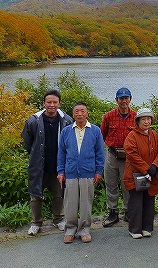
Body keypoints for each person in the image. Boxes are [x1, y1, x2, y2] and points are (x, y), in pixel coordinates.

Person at [22, 89, 73, 236]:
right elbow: (28, 142)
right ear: (44, 103)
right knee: (36, 195)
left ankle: (58, 219)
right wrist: (35, 155)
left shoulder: (66, 120)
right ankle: (36, 223)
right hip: (39, 166)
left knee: (59, 194)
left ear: (59, 103)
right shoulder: (33, 121)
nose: (52, 105)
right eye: (49, 102)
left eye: (55, 102)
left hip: (58, 166)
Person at [57, 103, 105, 244]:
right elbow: (61, 153)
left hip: (88, 172)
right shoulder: (66, 131)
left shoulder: (95, 130)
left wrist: (98, 171)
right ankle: (70, 229)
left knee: (86, 202)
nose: (79, 114)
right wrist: (61, 171)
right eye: (76, 111)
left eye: (82, 111)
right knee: (70, 203)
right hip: (70, 171)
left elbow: (100, 153)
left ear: (87, 113)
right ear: (73, 114)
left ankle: (84, 230)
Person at [123, 107, 158, 239]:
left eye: (148, 119)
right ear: (138, 121)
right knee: (136, 202)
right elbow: (131, 154)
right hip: (135, 174)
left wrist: (155, 166)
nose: (146, 121)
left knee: (149, 200)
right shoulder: (132, 135)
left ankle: (147, 227)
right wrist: (146, 168)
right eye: (143, 119)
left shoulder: (153, 134)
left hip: (151, 174)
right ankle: (134, 229)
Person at [101, 87, 137, 226]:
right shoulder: (108, 116)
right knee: (111, 185)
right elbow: (102, 134)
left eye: (126, 98)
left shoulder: (135, 117)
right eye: (121, 98)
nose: (124, 101)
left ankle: (128, 211)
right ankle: (113, 212)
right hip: (111, 154)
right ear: (116, 100)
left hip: (128, 157)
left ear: (130, 99)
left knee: (127, 185)